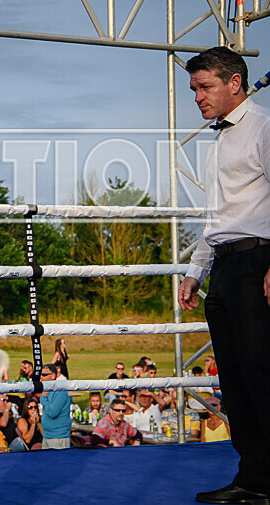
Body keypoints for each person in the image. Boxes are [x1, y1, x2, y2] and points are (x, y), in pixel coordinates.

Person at [177, 46, 270, 505]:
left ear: (235, 83)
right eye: (194, 88)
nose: (197, 96)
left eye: (204, 86)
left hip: (259, 263)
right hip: (225, 270)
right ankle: (254, 479)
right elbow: (215, 216)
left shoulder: (265, 127)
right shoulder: (218, 141)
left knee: (262, 375)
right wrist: (196, 271)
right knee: (233, 381)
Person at [38, 364, 71, 449]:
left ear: (53, 376)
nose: (41, 377)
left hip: (58, 437)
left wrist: (43, 398)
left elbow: (52, 412)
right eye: (40, 374)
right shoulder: (48, 390)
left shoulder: (60, 391)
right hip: (47, 435)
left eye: (44, 375)